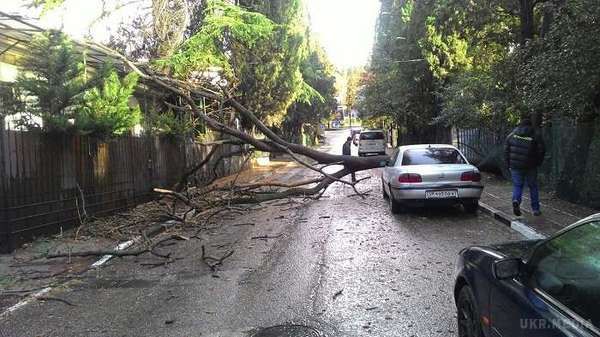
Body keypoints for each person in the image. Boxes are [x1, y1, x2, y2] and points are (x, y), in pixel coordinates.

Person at [504, 117, 546, 216]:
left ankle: (516, 201)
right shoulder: (535, 135)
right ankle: (535, 209)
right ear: (530, 126)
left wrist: (508, 164)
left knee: (518, 185)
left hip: (515, 166)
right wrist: (538, 162)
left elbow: (506, 151)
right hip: (531, 166)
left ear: (520, 125)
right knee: (533, 186)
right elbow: (542, 150)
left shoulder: (511, 135)